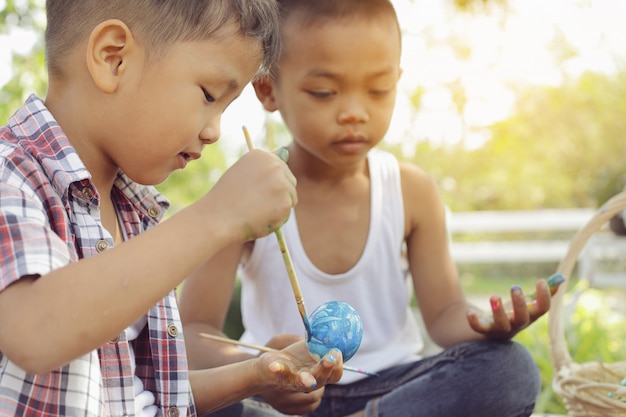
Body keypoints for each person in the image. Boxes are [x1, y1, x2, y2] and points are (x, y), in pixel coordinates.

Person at [179, 0, 552, 416]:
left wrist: (485, 324)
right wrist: (260, 370)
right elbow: (194, 334)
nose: (355, 112)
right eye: (324, 92)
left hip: (390, 393)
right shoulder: (247, 190)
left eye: (378, 89)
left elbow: (445, 314)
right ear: (268, 88)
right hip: (279, 397)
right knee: (194, 399)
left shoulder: (411, 191)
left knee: (509, 370)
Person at [0, 1, 346, 416]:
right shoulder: (12, 175)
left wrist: (257, 375)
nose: (214, 130)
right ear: (113, 58)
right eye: (208, 95)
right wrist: (216, 215)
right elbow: (34, 332)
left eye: (224, 109)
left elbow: (146, 396)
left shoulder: (136, 213)